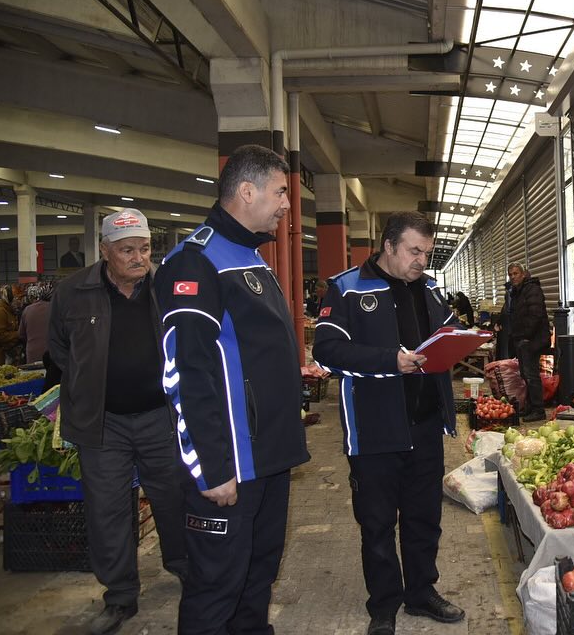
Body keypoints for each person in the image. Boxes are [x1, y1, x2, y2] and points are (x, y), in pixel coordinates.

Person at [154, 145, 310, 635]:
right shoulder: (195, 262)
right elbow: (187, 373)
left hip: (268, 459)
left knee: (257, 580)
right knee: (215, 589)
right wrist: (212, 467)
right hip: (232, 468)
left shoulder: (248, 256)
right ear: (247, 191)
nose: (287, 203)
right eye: (281, 191)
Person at [313, 211, 465, 635]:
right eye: (414, 251)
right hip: (375, 429)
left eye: (427, 252)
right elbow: (326, 351)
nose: (422, 261)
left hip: (425, 425)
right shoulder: (345, 288)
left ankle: (421, 592)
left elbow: (447, 333)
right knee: (377, 524)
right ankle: (383, 605)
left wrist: (465, 338)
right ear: (389, 245)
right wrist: (389, 363)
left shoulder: (430, 290)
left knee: (424, 518)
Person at [47, 208, 188, 635]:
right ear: (105, 251)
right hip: (101, 423)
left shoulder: (165, 286)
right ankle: (121, 595)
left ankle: (186, 569)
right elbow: (58, 350)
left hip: (159, 418)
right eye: (127, 250)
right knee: (107, 511)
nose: (138, 258)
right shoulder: (73, 292)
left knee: (174, 498)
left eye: (144, 249)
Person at [507, 263, 551, 421]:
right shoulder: (517, 292)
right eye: (510, 274)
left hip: (532, 339)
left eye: (516, 273)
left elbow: (535, 315)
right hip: (522, 339)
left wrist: (526, 337)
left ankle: (539, 410)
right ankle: (532, 406)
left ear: (523, 274)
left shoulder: (532, 290)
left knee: (531, 375)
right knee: (526, 374)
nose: (513, 277)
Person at [18, 281, 54, 363]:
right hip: (52, 352)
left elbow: (21, 335)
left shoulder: (27, 310)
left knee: (34, 375)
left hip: (32, 353)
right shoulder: (55, 308)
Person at [0, 285, 20, 365]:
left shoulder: (9, 310)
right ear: (8, 298)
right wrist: (18, 334)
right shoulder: (0, 312)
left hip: (9, 356)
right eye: (17, 298)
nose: (19, 301)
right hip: (1, 358)